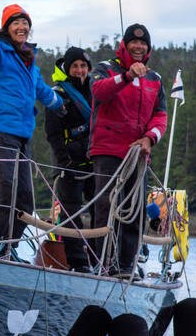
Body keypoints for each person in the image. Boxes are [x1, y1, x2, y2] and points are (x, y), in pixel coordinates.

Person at [0, 4, 64, 258]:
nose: (22, 28)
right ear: (7, 28)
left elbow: (42, 90)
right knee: (5, 188)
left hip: (21, 135)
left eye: (25, 24)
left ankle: (6, 248)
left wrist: (61, 103)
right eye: (16, 23)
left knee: (25, 200)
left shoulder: (28, 61)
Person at [89, 23, 168, 277]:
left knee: (134, 214)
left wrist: (149, 139)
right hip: (108, 151)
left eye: (143, 43)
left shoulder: (155, 79)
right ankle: (103, 262)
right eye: (134, 43)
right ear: (124, 44)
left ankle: (126, 266)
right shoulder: (105, 69)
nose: (138, 47)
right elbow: (98, 92)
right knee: (105, 208)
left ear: (148, 48)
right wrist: (126, 77)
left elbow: (160, 115)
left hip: (138, 154)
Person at [45, 46, 95, 272]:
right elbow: (53, 134)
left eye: (83, 66)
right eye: (75, 66)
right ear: (67, 68)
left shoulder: (97, 91)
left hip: (96, 161)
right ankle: (78, 263)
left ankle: (98, 259)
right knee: (71, 214)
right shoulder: (58, 95)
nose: (79, 70)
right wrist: (64, 160)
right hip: (69, 163)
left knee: (100, 212)